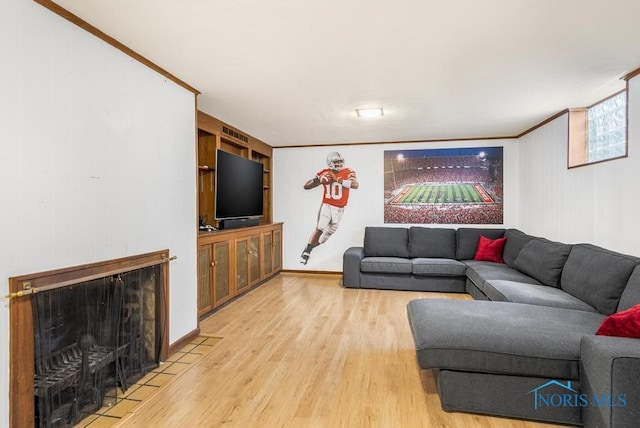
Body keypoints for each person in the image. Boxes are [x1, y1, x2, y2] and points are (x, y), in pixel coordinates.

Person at [300, 151, 358, 265]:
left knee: (325, 237)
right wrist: (318, 179)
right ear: (330, 163)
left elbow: (355, 185)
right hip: (327, 205)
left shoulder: (348, 171)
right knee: (320, 227)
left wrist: (337, 180)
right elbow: (306, 186)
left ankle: (308, 247)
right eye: (337, 162)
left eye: (341, 161)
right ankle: (307, 252)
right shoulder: (325, 172)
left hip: (340, 208)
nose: (339, 164)